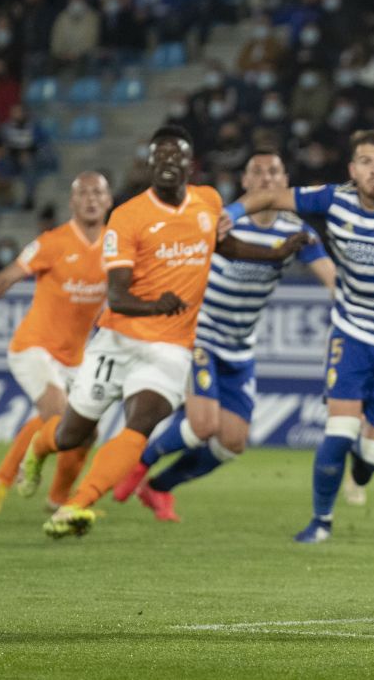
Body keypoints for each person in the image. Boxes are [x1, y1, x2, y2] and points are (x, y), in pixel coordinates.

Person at [18, 125, 310, 538]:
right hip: (118, 340)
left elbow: (221, 245)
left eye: (177, 157)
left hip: (171, 347)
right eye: (161, 158)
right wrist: (157, 304)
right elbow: (117, 297)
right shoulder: (128, 216)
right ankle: (39, 448)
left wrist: (275, 252)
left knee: (141, 422)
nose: (169, 164)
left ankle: (76, 506)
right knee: (70, 434)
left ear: (190, 165)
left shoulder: (207, 201)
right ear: (150, 165)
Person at [112, 151, 336, 521]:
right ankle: (138, 465)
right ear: (245, 182)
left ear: (285, 183)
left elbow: (333, 281)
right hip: (199, 334)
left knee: (231, 442)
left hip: (240, 346)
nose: (266, 178)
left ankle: (158, 486)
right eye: (258, 172)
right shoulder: (220, 223)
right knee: (203, 424)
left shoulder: (298, 233)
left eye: (274, 172)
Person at [246, 129, 374, 543]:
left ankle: (362, 463)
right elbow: (269, 197)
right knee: (338, 431)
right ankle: (320, 521)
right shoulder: (333, 198)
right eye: (366, 162)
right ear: (352, 170)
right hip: (352, 334)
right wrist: (225, 215)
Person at [0, 172, 112, 515]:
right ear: (72, 202)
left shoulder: (116, 246)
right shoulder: (52, 242)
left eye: (98, 193)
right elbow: (6, 277)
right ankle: (15, 472)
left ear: (109, 201)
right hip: (33, 347)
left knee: (88, 432)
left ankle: (55, 498)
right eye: (83, 193)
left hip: (75, 357)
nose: (91, 199)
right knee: (58, 411)